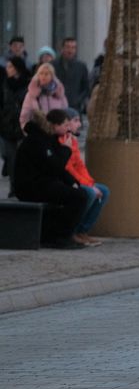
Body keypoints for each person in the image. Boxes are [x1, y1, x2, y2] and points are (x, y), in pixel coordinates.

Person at [12, 109, 89, 249]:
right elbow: (55, 166)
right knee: (79, 197)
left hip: (43, 183)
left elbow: (58, 169)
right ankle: (59, 236)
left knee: (80, 194)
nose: (68, 129)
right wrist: (66, 149)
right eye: (65, 125)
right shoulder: (37, 141)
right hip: (30, 186)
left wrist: (73, 183)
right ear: (54, 126)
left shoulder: (48, 139)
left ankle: (58, 235)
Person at [58, 108, 109, 246]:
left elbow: (80, 167)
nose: (79, 124)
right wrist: (87, 186)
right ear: (67, 123)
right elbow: (67, 169)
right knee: (90, 193)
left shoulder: (72, 141)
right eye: (76, 121)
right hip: (66, 182)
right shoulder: (62, 141)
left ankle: (82, 231)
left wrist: (90, 183)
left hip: (76, 180)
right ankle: (73, 230)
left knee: (103, 190)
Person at [2, 57, 29, 182]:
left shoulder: (28, 85)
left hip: (24, 127)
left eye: (10, 67)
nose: (7, 69)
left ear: (17, 69)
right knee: (11, 157)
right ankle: (14, 185)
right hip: (7, 127)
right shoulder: (4, 84)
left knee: (22, 158)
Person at [20, 62, 69, 129]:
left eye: (46, 74)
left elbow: (65, 114)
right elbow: (24, 116)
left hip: (56, 132)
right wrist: (27, 132)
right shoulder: (31, 94)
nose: (43, 76)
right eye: (41, 73)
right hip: (38, 131)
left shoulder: (59, 94)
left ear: (52, 76)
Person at [52, 37, 90, 114]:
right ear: (62, 48)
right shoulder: (52, 65)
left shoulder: (81, 66)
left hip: (74, 107)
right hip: (56, 106)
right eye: (68, 47)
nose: (70, 50)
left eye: (73, 48)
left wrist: (78, 100)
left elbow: (86, 88)